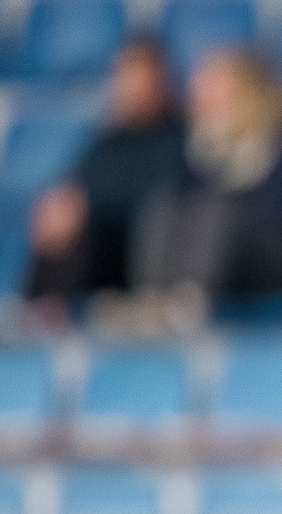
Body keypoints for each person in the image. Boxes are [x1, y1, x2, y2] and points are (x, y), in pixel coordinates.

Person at [132, 46, 282, 312]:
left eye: (214, 82)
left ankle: (189, 304)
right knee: (166, 207)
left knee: (220, 213)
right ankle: (152, 300)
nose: (201, 91)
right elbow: (182, 191)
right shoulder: (202, 142)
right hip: (233, 254)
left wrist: (244, 201)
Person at [23, 37, 188, 316]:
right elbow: (76, 184)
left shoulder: (176, 139)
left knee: (83, 230)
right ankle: (38, 317)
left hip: (133, 248)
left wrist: (85, 207)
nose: (129, 88)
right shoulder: (106, 140)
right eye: (123, 76)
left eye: (139, 78)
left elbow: (158, 195)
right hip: (96, 243)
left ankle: (57, 314)